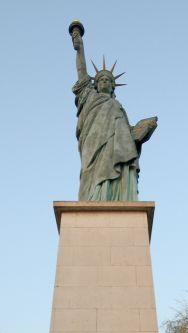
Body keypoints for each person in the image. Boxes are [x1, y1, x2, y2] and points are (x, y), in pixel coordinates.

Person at [70, 21, 157, 201]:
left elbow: (128, 137)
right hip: (93, 143)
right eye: (100, 80)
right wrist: (80, 47)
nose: (104, 82)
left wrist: (142, 130)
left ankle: (117, 197)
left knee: (120, 167)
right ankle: (94, 198)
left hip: (116, 148)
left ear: (113, 87)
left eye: (108, 81)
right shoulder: (90, 97)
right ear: (95, 84)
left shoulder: (118, 107)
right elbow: (81, 70)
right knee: (90, 173)